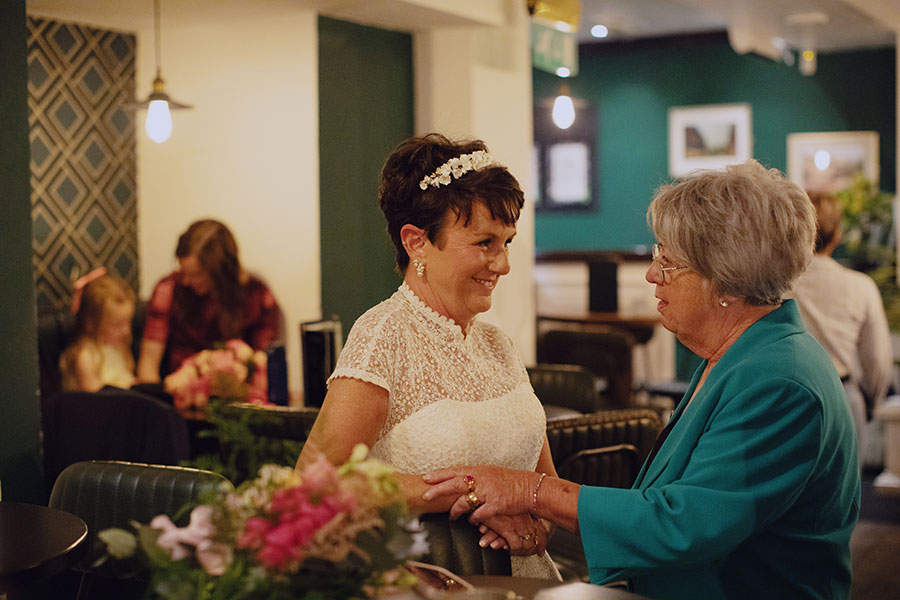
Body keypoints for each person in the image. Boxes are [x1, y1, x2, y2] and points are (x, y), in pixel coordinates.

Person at [423, 160, 861, 599]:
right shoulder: (740, 356)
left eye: (667, 262)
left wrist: (533, 492)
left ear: (726, 283)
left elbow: (682, 524)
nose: (652, 274)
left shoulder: (780, 383)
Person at [295, 133, 560, 579]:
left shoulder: (498, 344)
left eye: (507, 242)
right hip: (432, 580)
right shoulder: (383, 335)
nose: (503, 264)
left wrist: (539, 524)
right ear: (417, 242)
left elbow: (543, 482)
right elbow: (314, 483)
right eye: (484, 243)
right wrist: (467, 494)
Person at [791, 190, 892, 452]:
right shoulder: (861, 287)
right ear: (837, 235)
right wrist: (870, 400)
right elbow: (878, 361)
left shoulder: (778, 285)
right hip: (843, 396)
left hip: (787, 395)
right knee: (844, 490)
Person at [137, 219, 281, 381]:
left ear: (221, 271)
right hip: (179, 395)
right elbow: (148, 364)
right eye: (183, 272)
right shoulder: (169, 289)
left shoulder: (257, 295)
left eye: (196, 274)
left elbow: (264, 366)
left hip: (238, 397)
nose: (186, 281)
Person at [60, 268, 137, 392]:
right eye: (117, 325)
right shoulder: (86, 357)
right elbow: (97, 401)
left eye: (128, 322)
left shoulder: (119, 348)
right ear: (90, 324)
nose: (126, 330)